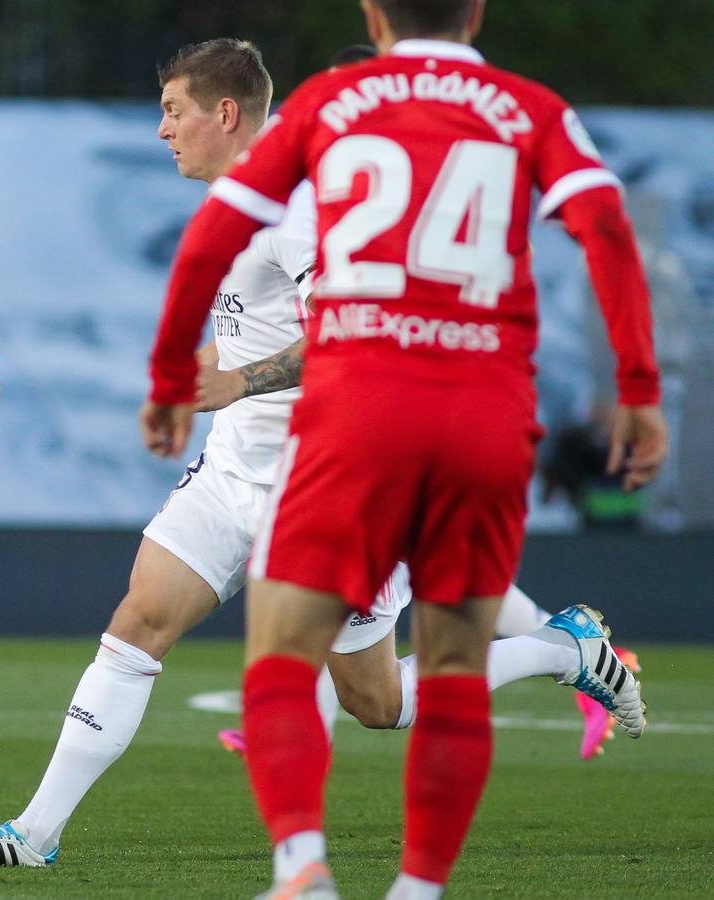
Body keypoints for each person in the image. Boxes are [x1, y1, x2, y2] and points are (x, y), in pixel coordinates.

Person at [0, 37, 626, 872]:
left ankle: (564, 649)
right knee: (135, 623)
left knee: (378, 701)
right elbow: (253, 332)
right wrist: (201, 379)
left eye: (173, 111)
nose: (161, 131)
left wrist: (238, 382)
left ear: (225, 114)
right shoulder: (244, 198)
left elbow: (341, 330)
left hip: (330, 478)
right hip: (233, 472)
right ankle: (32, 834)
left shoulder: (297, 209)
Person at [145, 2, 667, 897]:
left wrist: (167, 373)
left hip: (360, 411)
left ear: (373, 14)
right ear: (475, 12)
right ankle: (416, 889)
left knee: (280, 652)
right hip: (483, 413)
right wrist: (639, 388)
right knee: (450, 674)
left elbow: (216, 232)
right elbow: (606, 231)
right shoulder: (527, 107)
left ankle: (301, 864)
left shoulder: (334, 102)